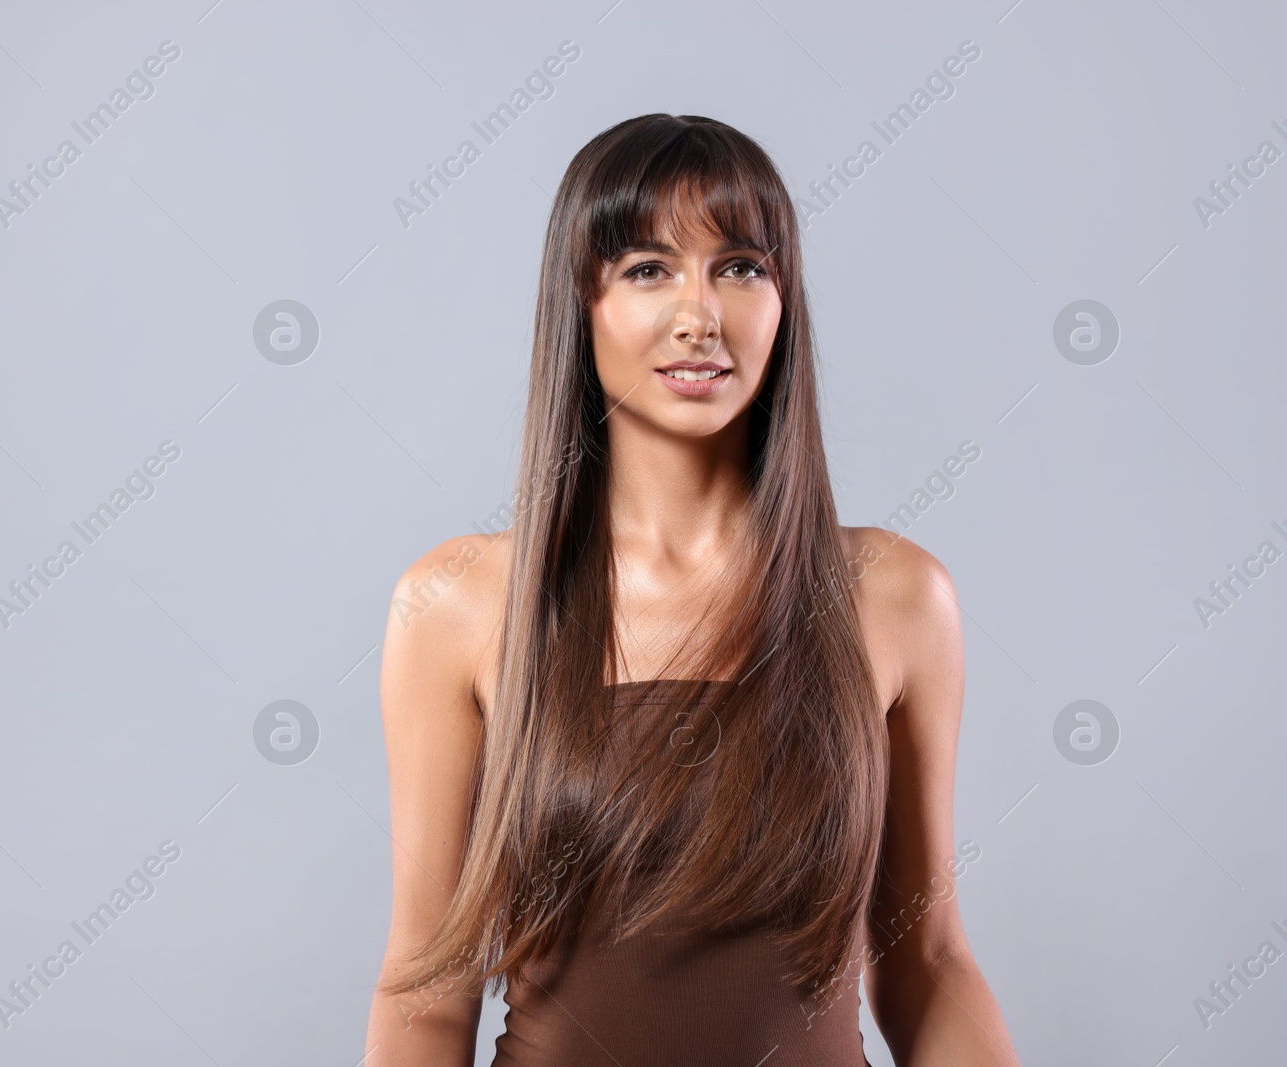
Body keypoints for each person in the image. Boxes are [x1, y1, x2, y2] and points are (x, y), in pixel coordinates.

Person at [362, 113, 1019, 1066]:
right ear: (580, 303)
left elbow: (928, 960)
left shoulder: (897, 596)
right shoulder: (458, 602)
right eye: (647, 268)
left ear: (784, 301)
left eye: (741, 266)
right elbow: (427, 983)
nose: (699, 315)